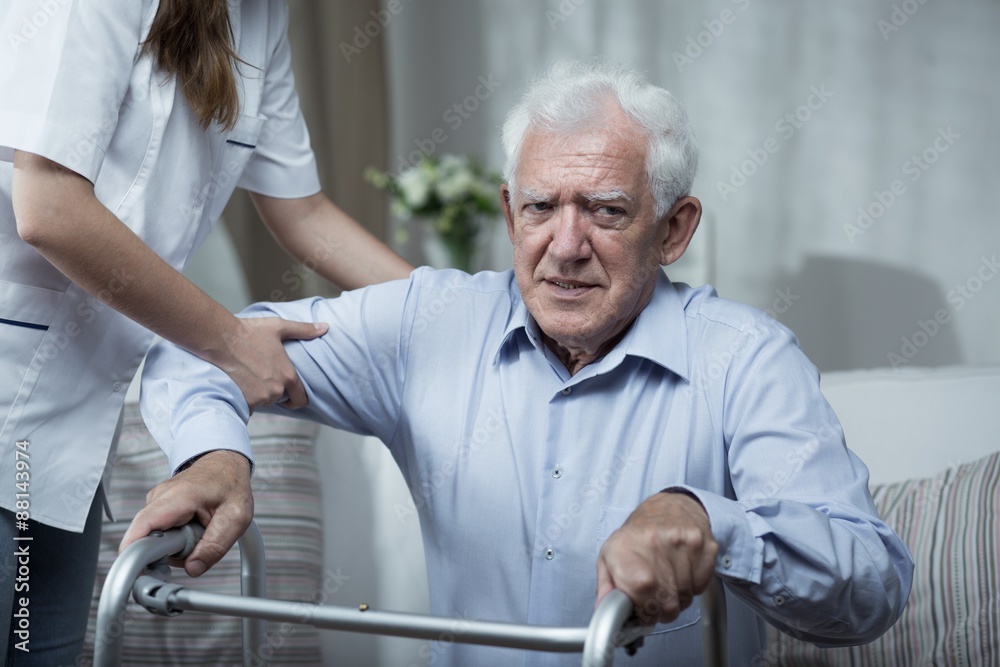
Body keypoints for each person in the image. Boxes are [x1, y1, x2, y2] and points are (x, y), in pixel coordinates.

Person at [124, 59, 914, 665]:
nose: (565, 248)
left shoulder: (748, 359)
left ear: (674, 230)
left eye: (606, 211)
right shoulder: (428, 321)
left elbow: (872, 585)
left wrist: (714, 523)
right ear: (510, 212)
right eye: (541, 207)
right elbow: (200, 345)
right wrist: (214, 455)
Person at [0, 0, 412, 664]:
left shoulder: (260, 18)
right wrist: (228, 342)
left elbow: (305, 214)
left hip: (61, 450)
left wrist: (471, 316)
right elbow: (49, 207)